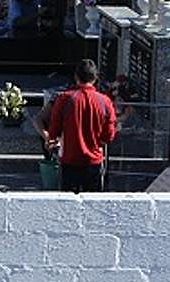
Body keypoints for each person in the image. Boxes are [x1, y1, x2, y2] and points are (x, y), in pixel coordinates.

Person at [44, 58, 117, 192]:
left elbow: (54, 130)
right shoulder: (105, 102)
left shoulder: (64, 99)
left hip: (70, 161)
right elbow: (109, 135)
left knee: (68, 206)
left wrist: (52, 140)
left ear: (76, 77)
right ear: (95, 78)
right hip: (93, 161)